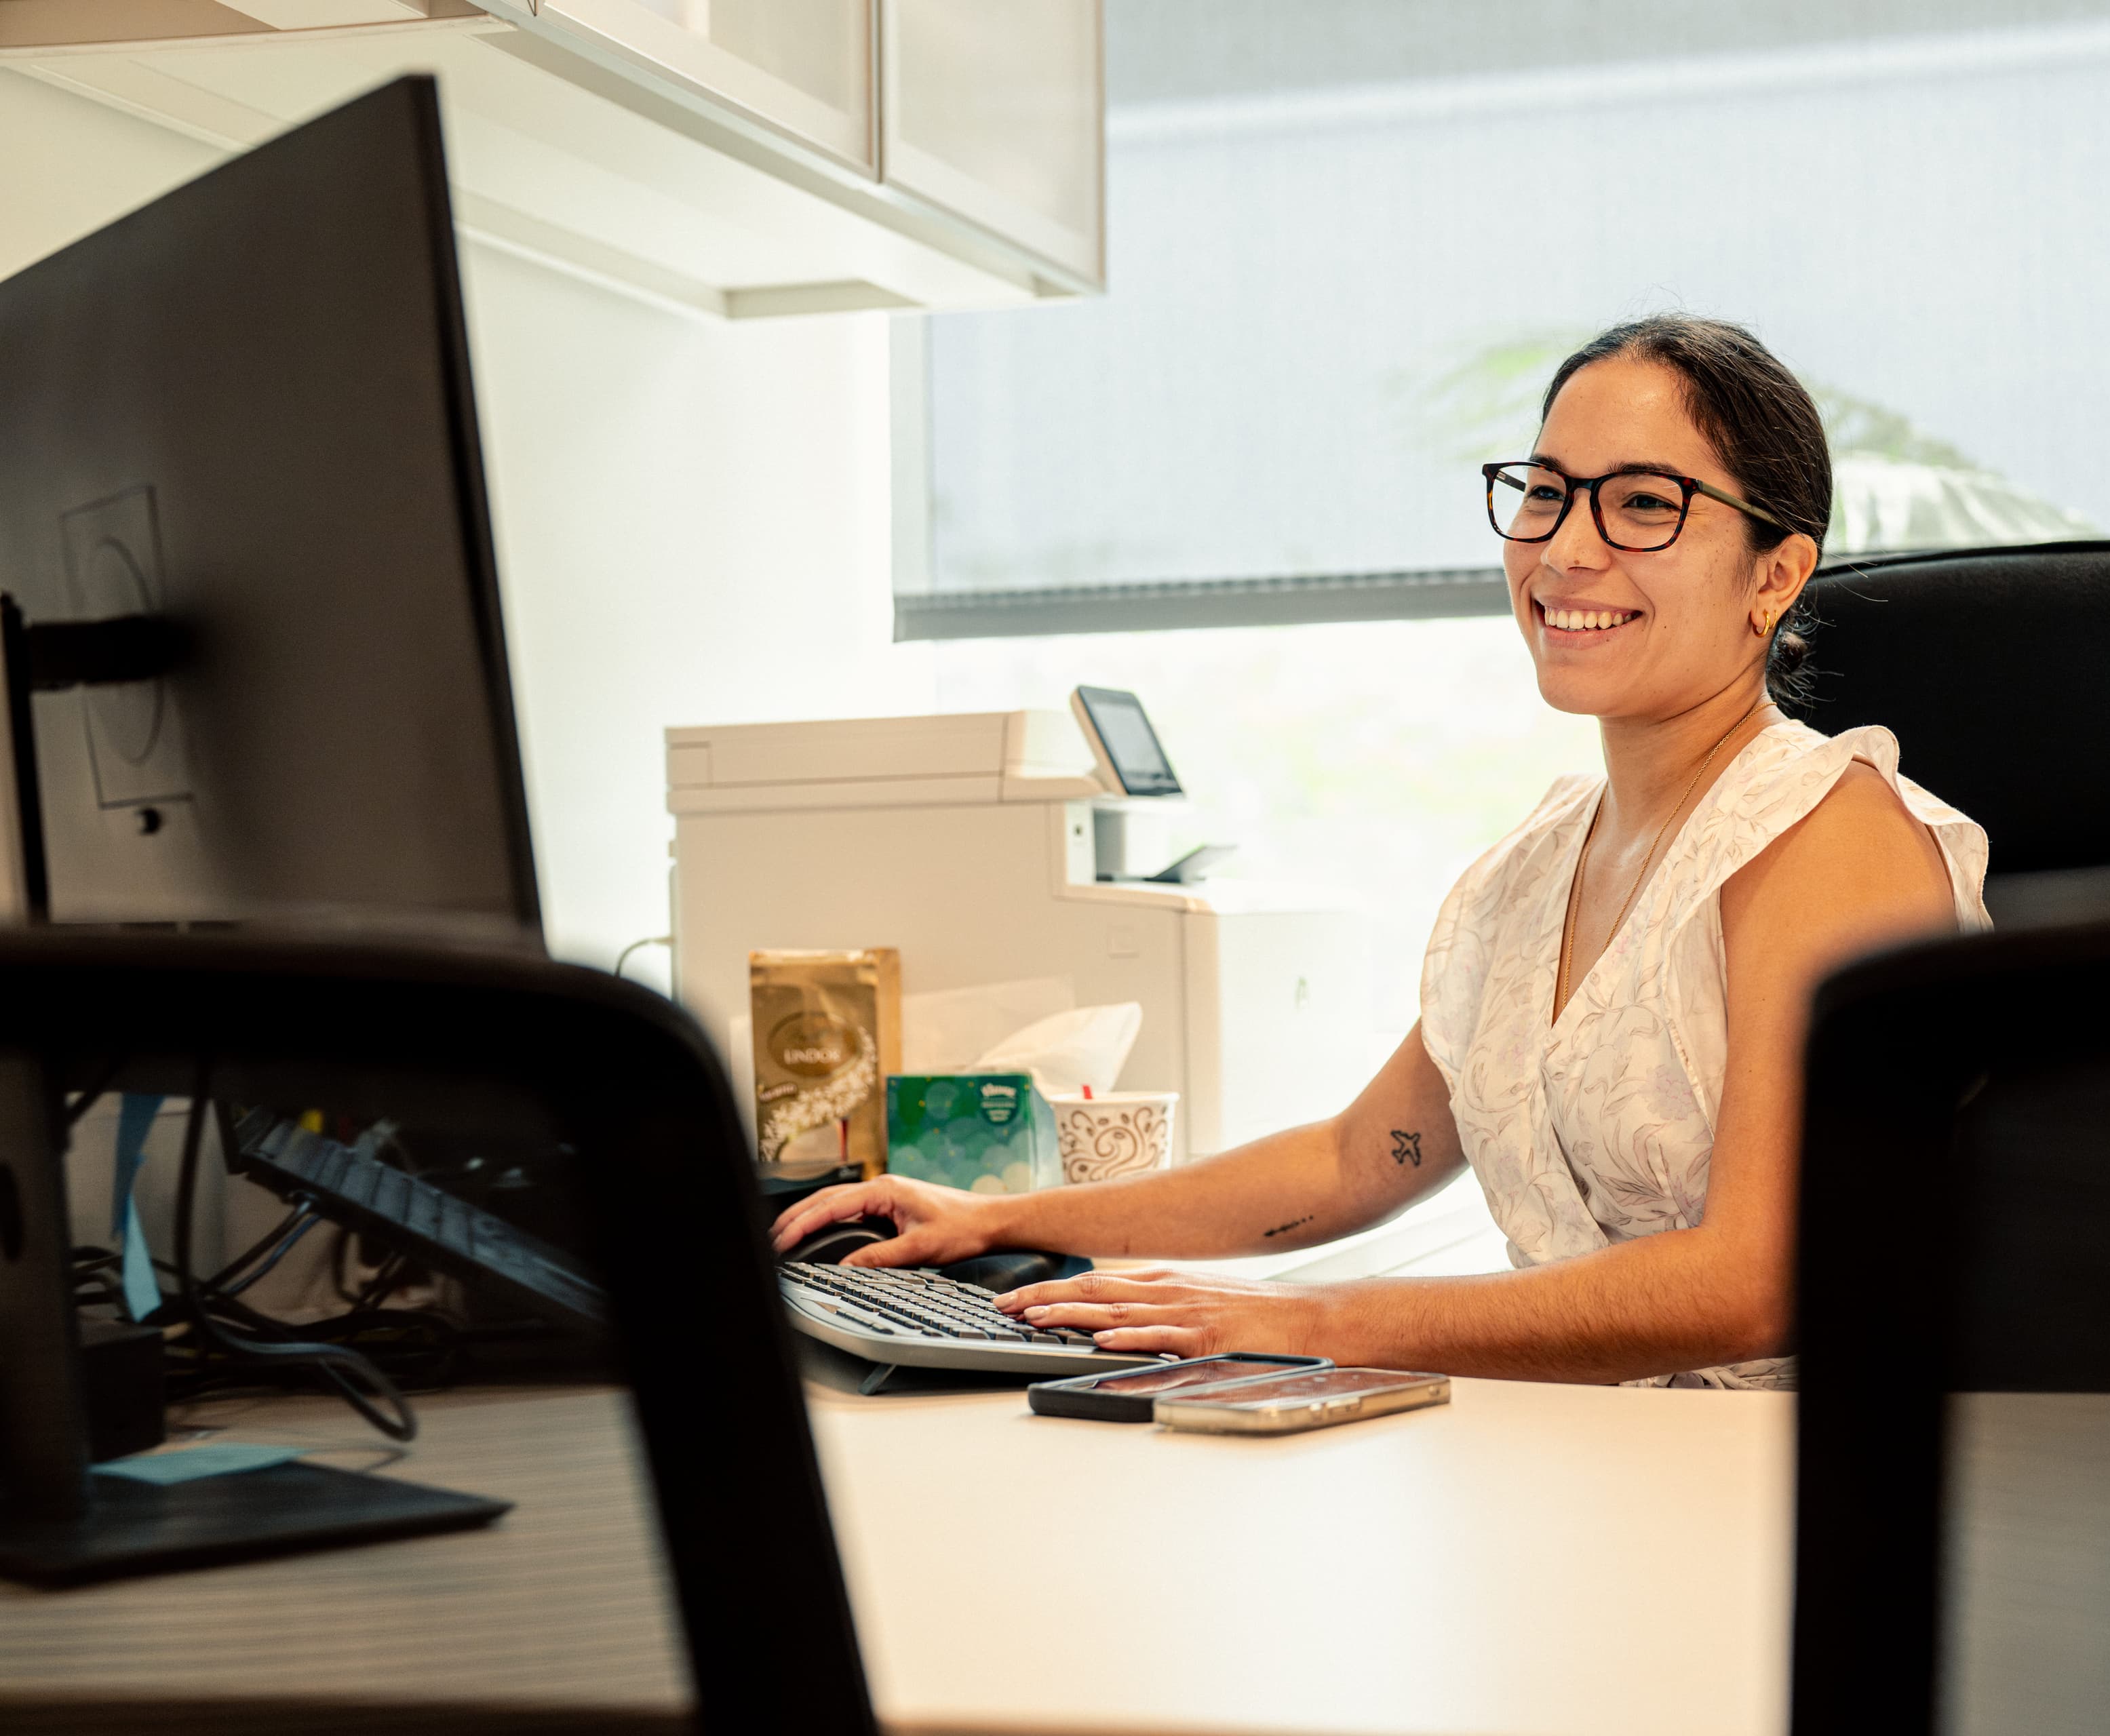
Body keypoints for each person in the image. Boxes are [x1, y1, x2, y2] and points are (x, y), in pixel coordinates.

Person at [773, 314, 1989, 1387]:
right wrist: (1000, 1218)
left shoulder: (1828, 834)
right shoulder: (1535, 868)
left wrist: (1310, 1324)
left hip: (1804, 1494)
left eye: (1642, 504)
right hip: (1584, 1460)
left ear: (1776, 574)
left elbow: (1760, 1281)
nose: (1566, 549)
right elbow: (1355, 1161)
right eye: (1546, 492)